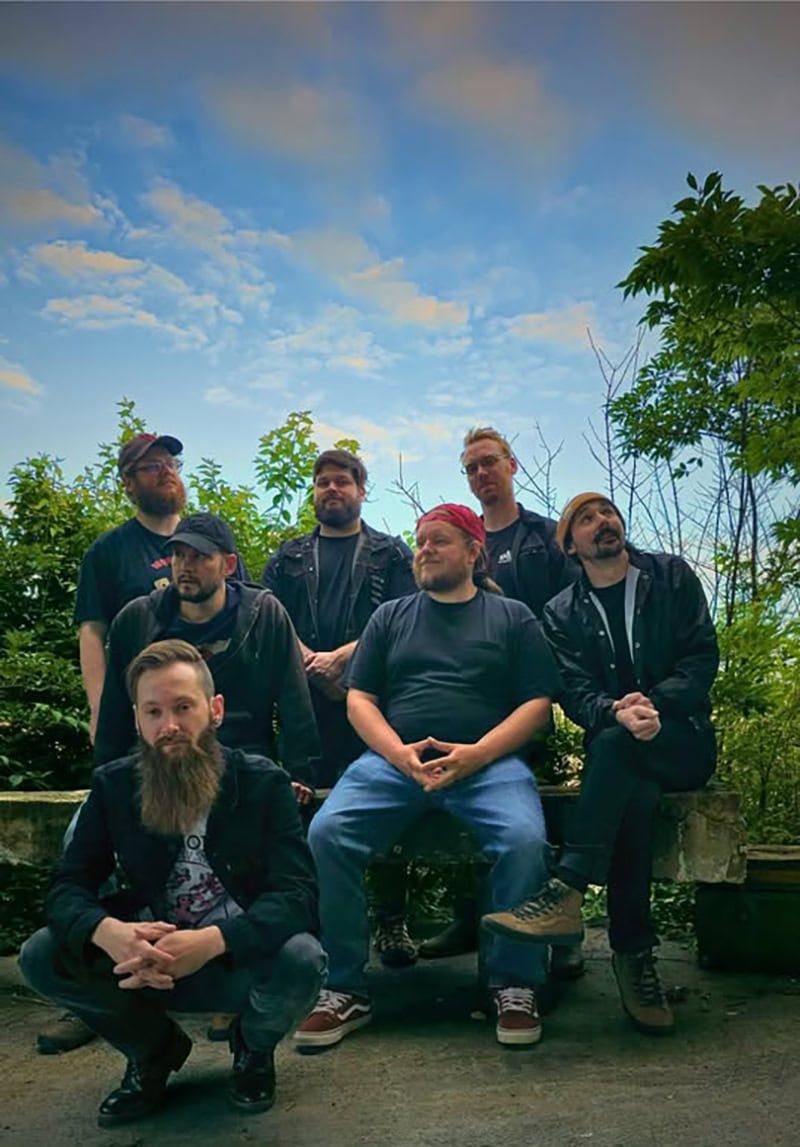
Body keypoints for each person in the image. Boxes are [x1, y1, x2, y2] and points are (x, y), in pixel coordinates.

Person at [19, 639, 325, 1126]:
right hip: (143, 966)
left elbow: (297, 895)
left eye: (183, 707)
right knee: (41, 954)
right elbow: (66, 886)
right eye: (154, 712)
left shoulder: (264, 783)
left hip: (234, 964)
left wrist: (214, 941)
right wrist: (109, 933)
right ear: (138, 720)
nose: (170, 726)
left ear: (215, 709)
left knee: (303, 958)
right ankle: (153, 1051)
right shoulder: (114, 786)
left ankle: (252, 1048)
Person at [295, 504, 561, 1050]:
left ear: (473, 551)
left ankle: (513, 983)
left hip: (488, 765)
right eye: (420, 542)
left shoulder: (512, 617)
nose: (424, 550)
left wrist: (477, 755)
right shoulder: (390, 616)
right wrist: (398, 755)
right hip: (396, 764)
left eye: (438, 540)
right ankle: (344, 986)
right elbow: (360, 700)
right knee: (327, 833)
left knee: (524, 841)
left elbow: (538, 705)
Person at [483, 493, 719, 1035]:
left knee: (614, 750)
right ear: (570, 546)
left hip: (681, 738)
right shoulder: (561, 611)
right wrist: (616, 712)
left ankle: (567, 889)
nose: (602, 522)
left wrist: (654, 705)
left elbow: (701, 655)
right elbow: (572, 691)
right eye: (585, 520)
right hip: (618, 748)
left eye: (607, 513)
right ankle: (634, 957)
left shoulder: (671, 577)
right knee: (632, 791)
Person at [419, 427, 579, 973]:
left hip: (533, 698)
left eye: (489, 462)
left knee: (531, 811)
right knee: (460, 793)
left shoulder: (546, 537)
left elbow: (575, 608)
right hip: (471, 702)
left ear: (512, 465)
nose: (481, 474)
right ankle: (473, 918)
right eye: (471, 468)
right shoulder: (457, 539)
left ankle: (556, 931)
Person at [263, 449, 417, 965]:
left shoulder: (391, 554)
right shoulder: (287, 556)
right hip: (303, 704)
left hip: (374, 704)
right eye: (323, 482)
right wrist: (309, 659)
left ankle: (391, 921)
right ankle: (314, 927)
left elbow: (403, 617)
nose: (331, 489)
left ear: (361, 491)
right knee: (305, 812)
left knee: (386, 810)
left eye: (342, 482)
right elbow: (268, 615)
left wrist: (345, 660)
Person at [94, 512, 318, 786]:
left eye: (199, 557)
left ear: (229, 565)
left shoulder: (263, 616)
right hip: (158, 769)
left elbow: (294, 704)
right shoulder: (137, 620)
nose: (185, 566)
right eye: (178, 555)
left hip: (245, 770)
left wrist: (301, 778)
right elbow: (114, 714)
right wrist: (106, 784)